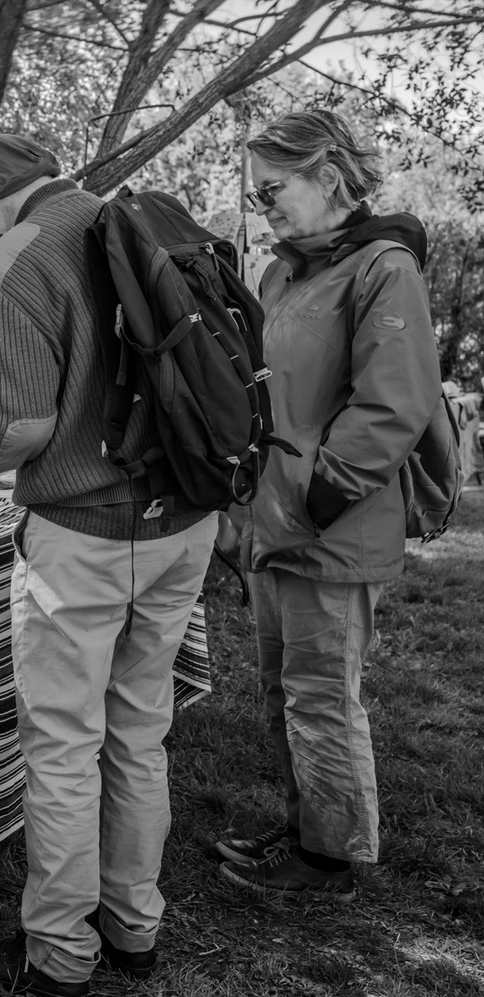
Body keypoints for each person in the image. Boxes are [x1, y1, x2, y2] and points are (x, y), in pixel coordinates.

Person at [0, 133, 218, 997]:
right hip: (183, 520)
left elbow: (17, 428)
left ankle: (59, 954)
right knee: (140, 732)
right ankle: (134, 925)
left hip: (84, 534)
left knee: (63, 746)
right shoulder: (140, 224)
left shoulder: (11, 259)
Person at [216, 110, 438, 900]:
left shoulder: (384, 268)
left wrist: (313, 500)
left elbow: (393, 405)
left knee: (320, 697)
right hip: (275, 523)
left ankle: (328, 861)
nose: (263, 206)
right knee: (283, 691)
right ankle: (306, 827)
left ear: (329, 176)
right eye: (257, 194)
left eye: (273, 189)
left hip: (331, 527)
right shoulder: (283, 274)